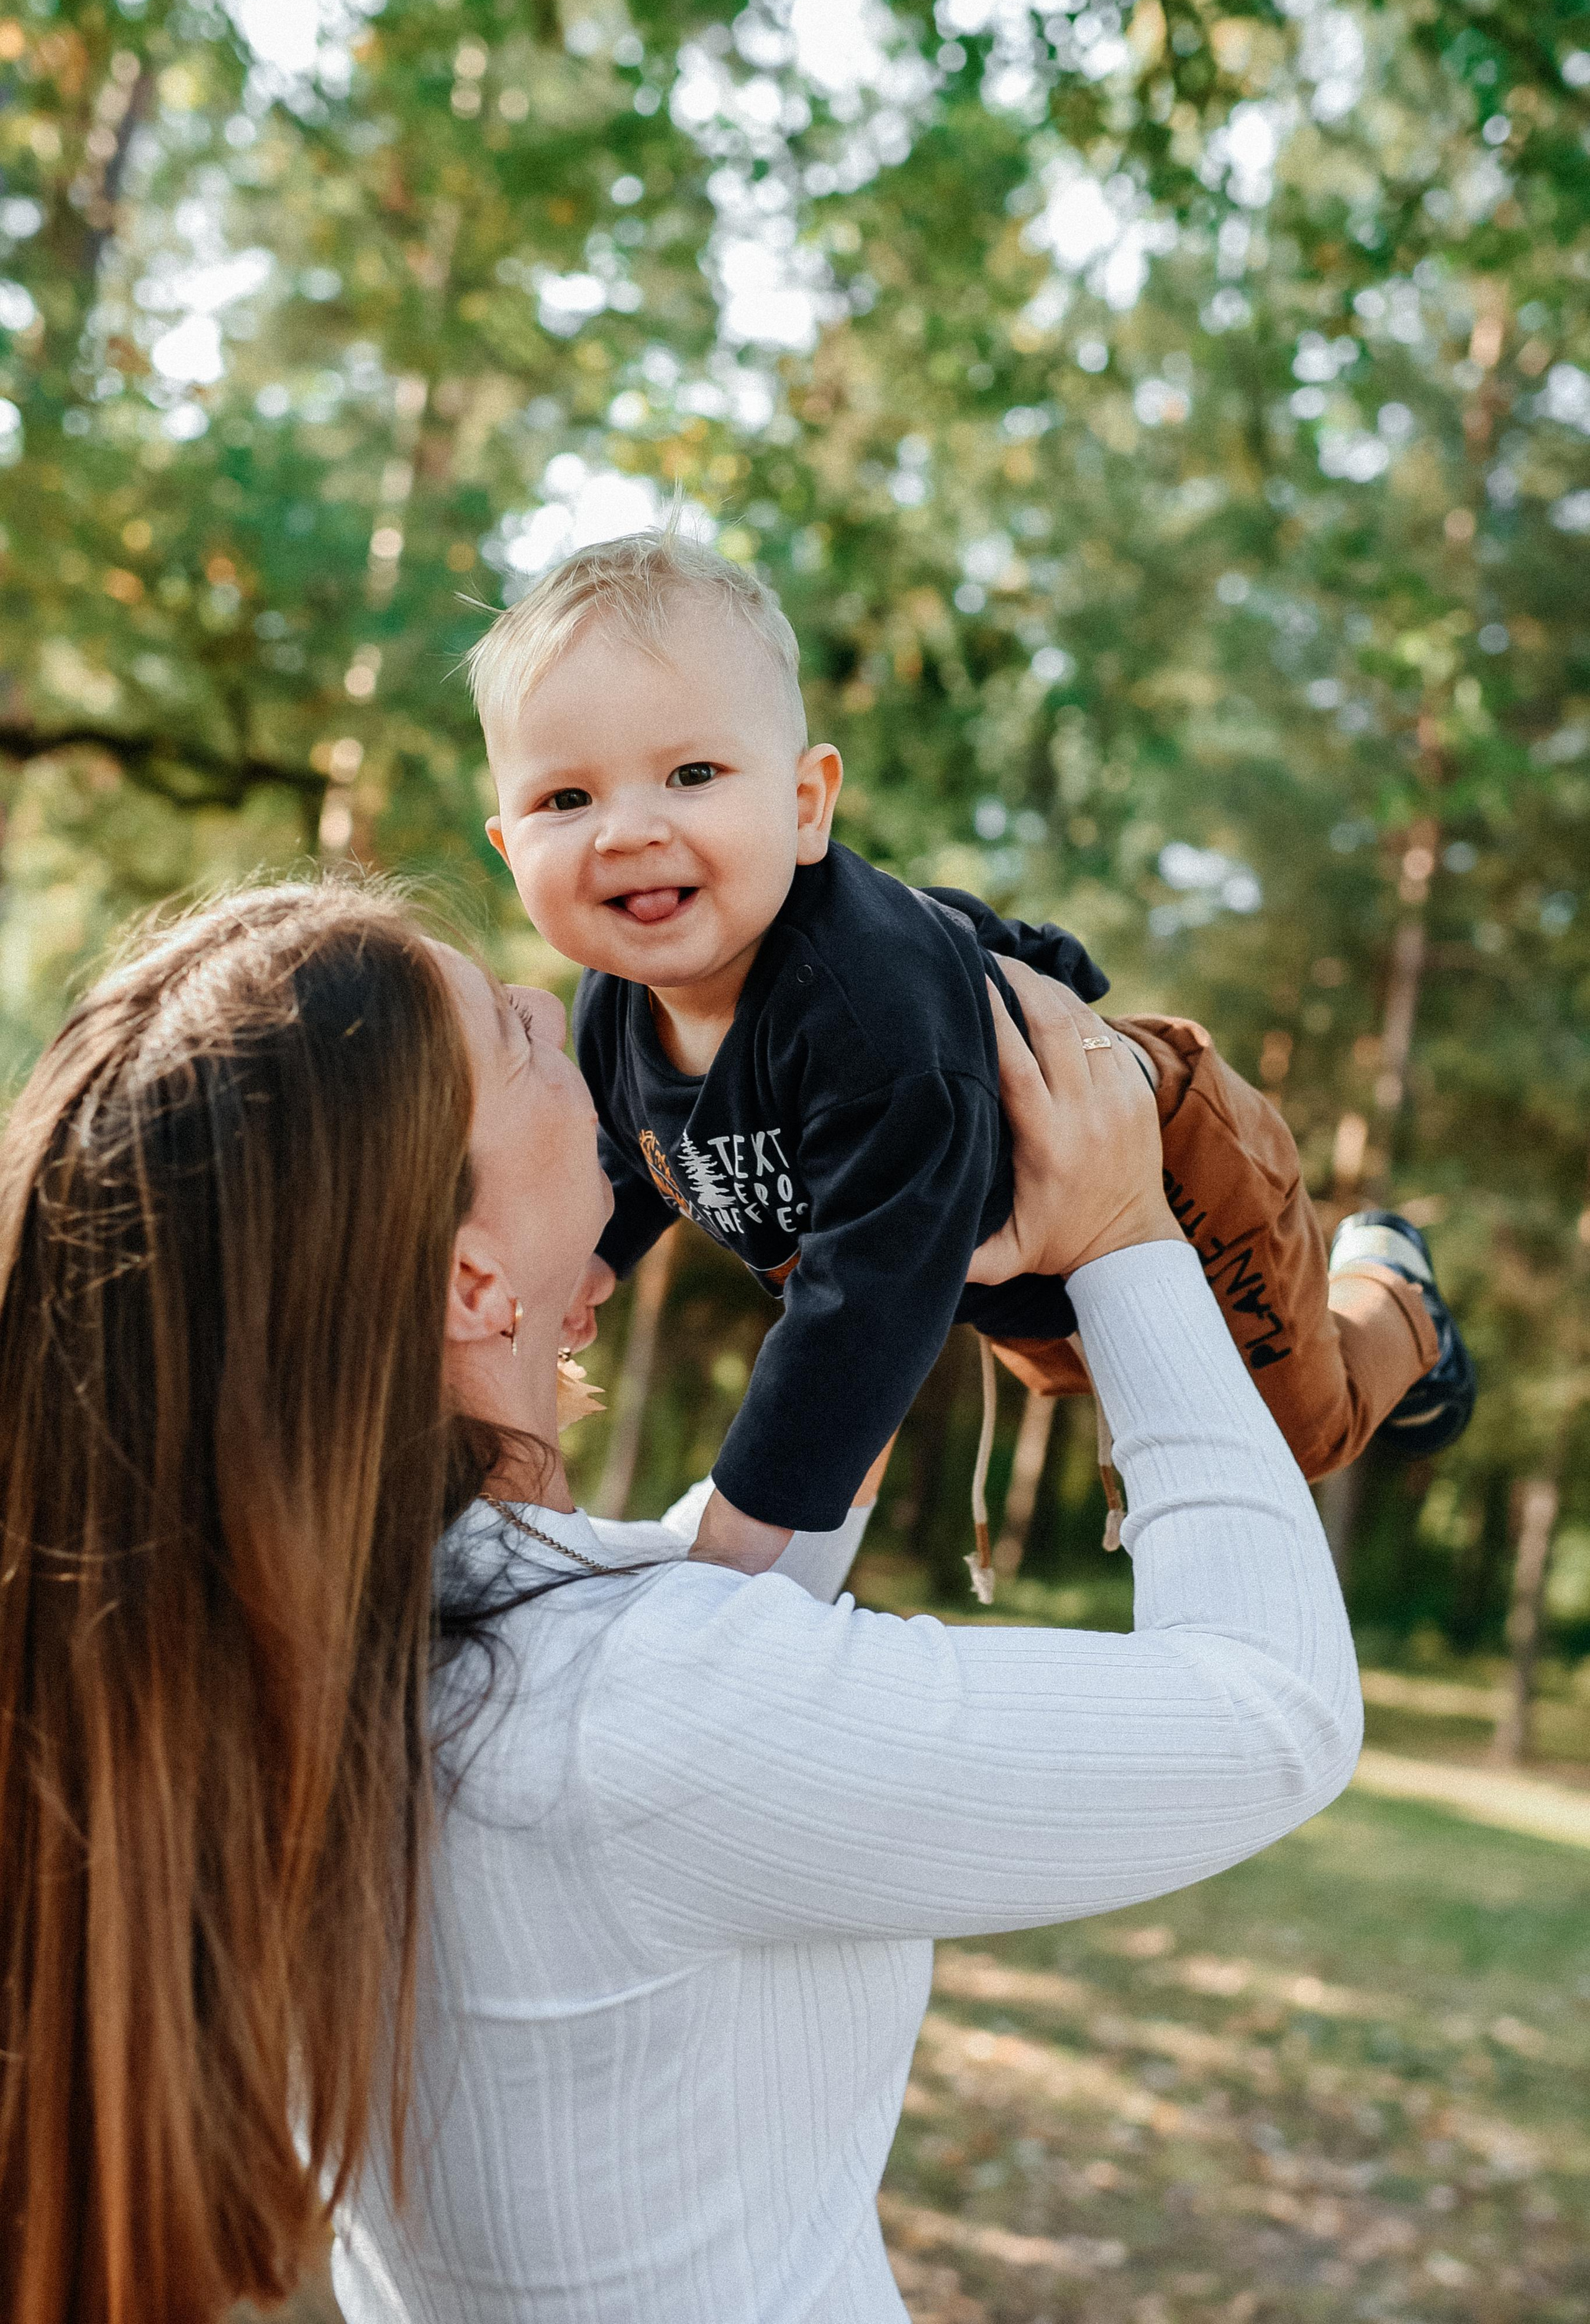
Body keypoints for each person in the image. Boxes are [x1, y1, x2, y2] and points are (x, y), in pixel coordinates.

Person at [0, 874, 1361, 2324]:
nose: (556, 1002)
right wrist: (1120, 1242)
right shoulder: (610, 1725)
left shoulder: (313, 1654)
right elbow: (1270, 1707)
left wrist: (874, 1270)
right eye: (511, 1039)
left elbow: (683, 1610)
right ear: (474, 1281)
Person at [471, 530, 1475, 1584]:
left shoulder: (863, 1019)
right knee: (1062, 1374)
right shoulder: (612, 1004)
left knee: (1287, 1438)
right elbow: (636, 1159)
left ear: (806, 806)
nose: (628, 832)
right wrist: (590, 1260)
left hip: (1160, 1167)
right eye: (567, 800)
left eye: (691, 774)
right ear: (509, 845)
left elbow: (859, 1316)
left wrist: (727, 1567)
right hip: (991, 1259)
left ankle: (1392, 1294)